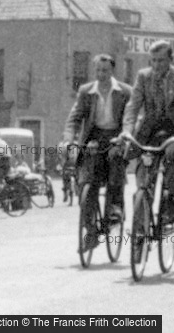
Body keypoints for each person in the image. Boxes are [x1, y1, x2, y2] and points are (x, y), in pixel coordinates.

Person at [120, 40, 174, 224]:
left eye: (161, 61)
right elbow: (133, 106)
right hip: (149, 132)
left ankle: (171, 205)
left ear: (170, 60)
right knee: (143, 178)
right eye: (153, 61)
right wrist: (127, 131)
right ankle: (141, 223)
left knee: (172, 172)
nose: (156, 65)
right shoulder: (143, 76)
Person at [62, 54, 132, 248]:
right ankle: (91, 231)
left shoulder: (125, 92)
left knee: (115, 174)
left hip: (116, 137)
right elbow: (74, 118)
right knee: (87, 184)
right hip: (93, 139)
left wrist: (124, 138)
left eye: (105, 70)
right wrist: (68, 140)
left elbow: (130, 118)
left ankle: (114, 212)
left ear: (112, 71)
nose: (101, 74)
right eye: (98, 70)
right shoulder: (86, 91)